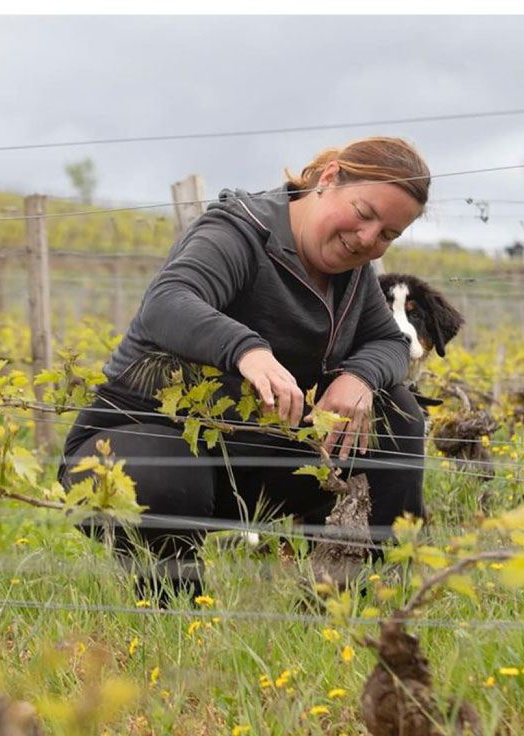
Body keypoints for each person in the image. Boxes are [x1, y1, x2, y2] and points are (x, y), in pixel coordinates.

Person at [60, 137, 431, 602]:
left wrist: (359, 377)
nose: (367, 239)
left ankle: (358, 601)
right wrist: (247, 350)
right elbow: (168, 302)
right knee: (168, 475)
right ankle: (173, 616)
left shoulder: (352, 272)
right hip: (132, 445)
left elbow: (388, 342)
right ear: (330, 178)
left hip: (255, 460)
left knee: (395, 410)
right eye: (364, 212)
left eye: (388, 235)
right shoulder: (239, 231)